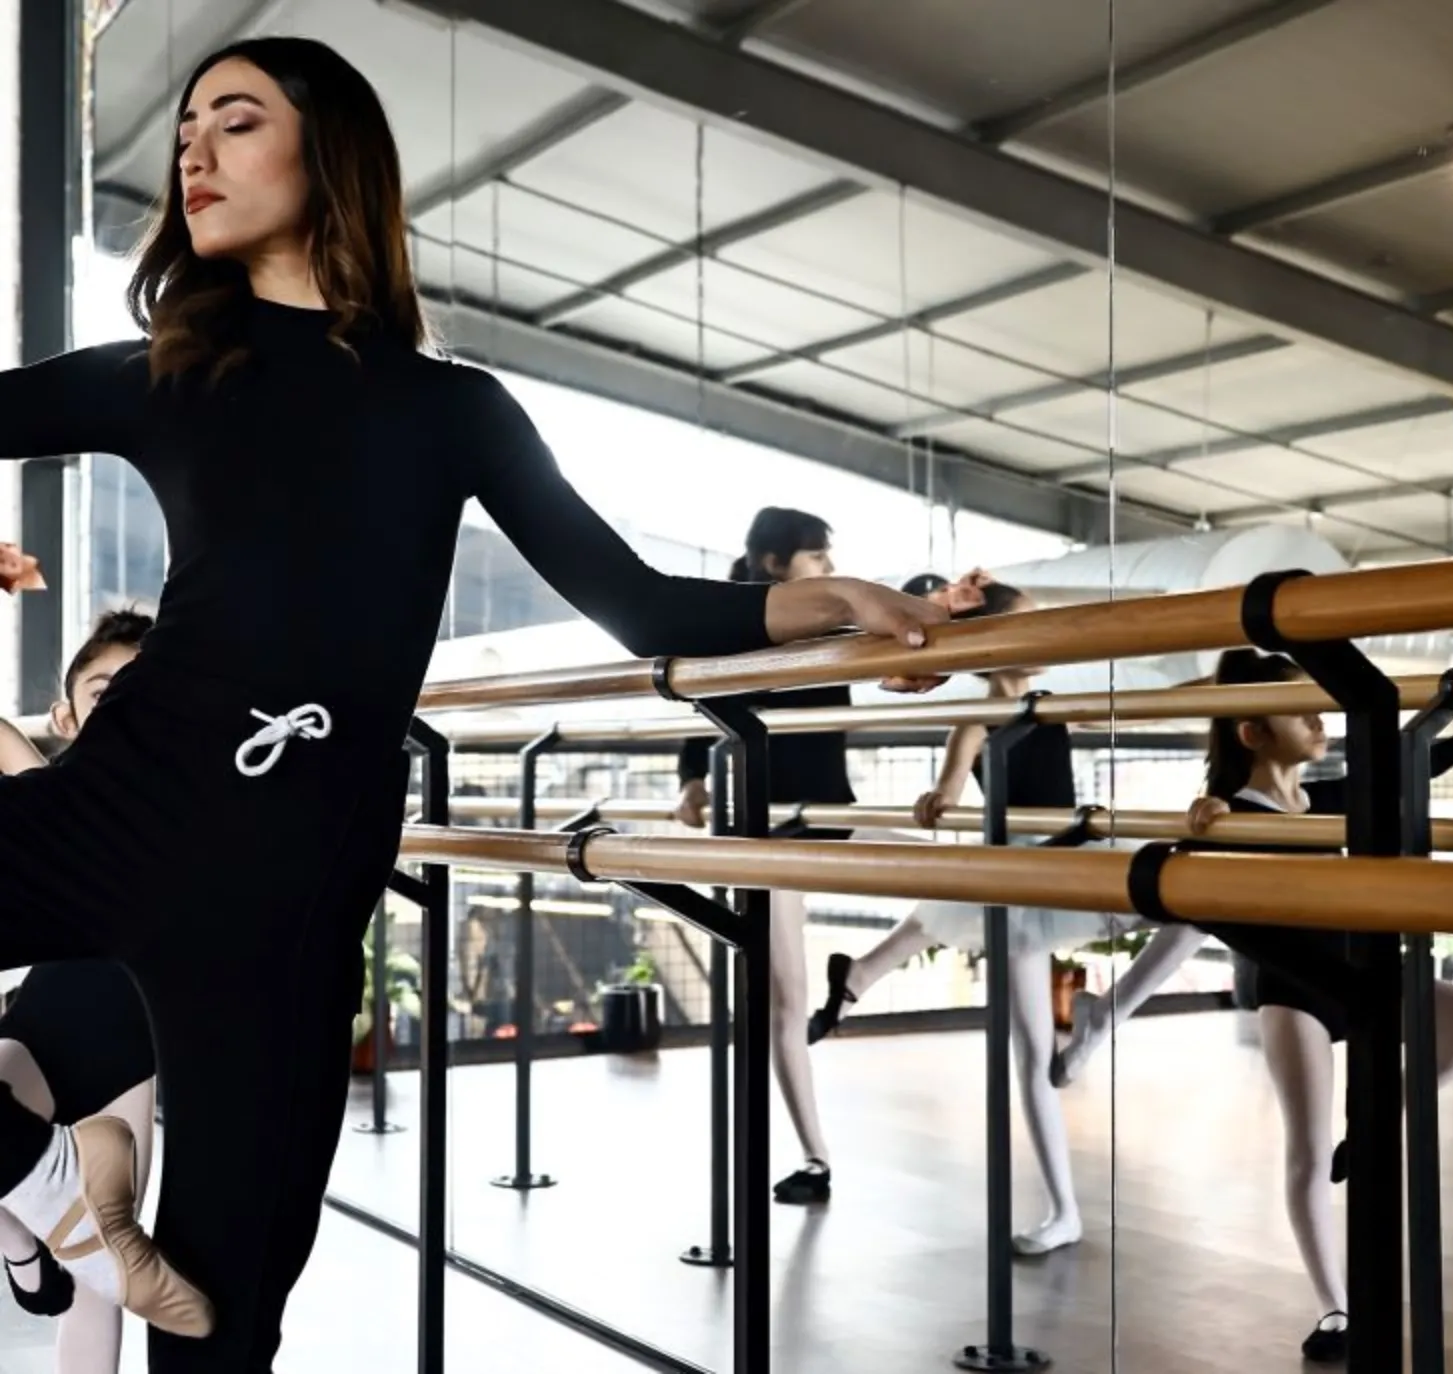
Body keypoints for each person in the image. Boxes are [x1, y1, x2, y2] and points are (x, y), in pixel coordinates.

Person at [0, 38, 944, 1370]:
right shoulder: (163, 371)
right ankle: (51, 1189)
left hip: (287, 883)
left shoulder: (455, 412)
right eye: (187, 131)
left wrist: (848, 601)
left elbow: (647, 606)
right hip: (120, 802)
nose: (192, 153)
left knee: (222, 1318)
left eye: (235, 120)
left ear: (330, 153)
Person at [1184, 648, 1453, 1364]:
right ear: (1252, 733)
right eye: (1297, 706)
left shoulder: (1326, 800)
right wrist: (1206, 817)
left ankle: (1372, 1127)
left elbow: (1395, 772)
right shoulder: (1236, 815)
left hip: (1363, 977)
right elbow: (1195, 850)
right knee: (1306, 1154)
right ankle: (1334, 1309)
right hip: (1295, 997)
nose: (1317, 714)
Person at [809, 578, 1126, 1255]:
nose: (1049, 637)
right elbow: (949, 787)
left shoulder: (1055, 702)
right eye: (1033, 625)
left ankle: (1107, 1015)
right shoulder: (977, 719)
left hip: (1071, 862)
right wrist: (936, 800)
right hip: (1019, 880)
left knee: (1186, 903)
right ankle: (1063, 1209)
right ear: (992, 641)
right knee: (1033, 1051)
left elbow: (1134, 713)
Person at [671, 508, 856, 1207]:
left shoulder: (834, 618)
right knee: (786, 996)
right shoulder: (726, 630)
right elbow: (700, 705)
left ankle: (863, 975)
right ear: (774, 564)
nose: (830, 572)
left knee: (971, 877)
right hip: (764, 831)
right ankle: (815, 1157)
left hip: (831, 818)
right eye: (817, 559)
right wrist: (690, 778)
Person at [0, 611, 163, 1374]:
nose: (124, 705)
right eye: (105, 690)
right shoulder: (53, 791)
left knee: (104, 1270)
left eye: (144, 688)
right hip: (44, 1028)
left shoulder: (191, 805)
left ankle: (37, 1249)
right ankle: (20, 1244)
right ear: (66, 714)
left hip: (134, 1054)